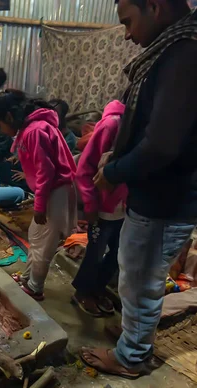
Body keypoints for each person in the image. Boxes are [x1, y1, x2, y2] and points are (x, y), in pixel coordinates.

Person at [81, 0, 197, 379]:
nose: (128, 35)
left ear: (153, 6)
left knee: (140, 280)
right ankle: (135, 338)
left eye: (128, 22)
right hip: (167, 193)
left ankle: (132, 357)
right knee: (139, 276)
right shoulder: (185, 47)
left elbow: (161, 145)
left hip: (166, 198)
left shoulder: (188, 53)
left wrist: (114, 172)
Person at [0, 89, 77, 300]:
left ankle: (35, 287)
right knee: (36, 237)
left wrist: (40, 205)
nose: (0, 130)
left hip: (55, 190)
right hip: (50, 189)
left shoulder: (34, 130)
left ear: (9, 117)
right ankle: (28, 278)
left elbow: (46, 171)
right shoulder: (32, 128)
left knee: (44, 243)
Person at [72, 100, 126, 316]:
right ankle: (82, 291)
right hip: (102, 208)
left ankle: (97, 288)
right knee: (95, 251)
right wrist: (90, 205)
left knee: (118, 251)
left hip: (122, 206)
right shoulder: (111, 126)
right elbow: (84, 169)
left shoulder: (140, 126)